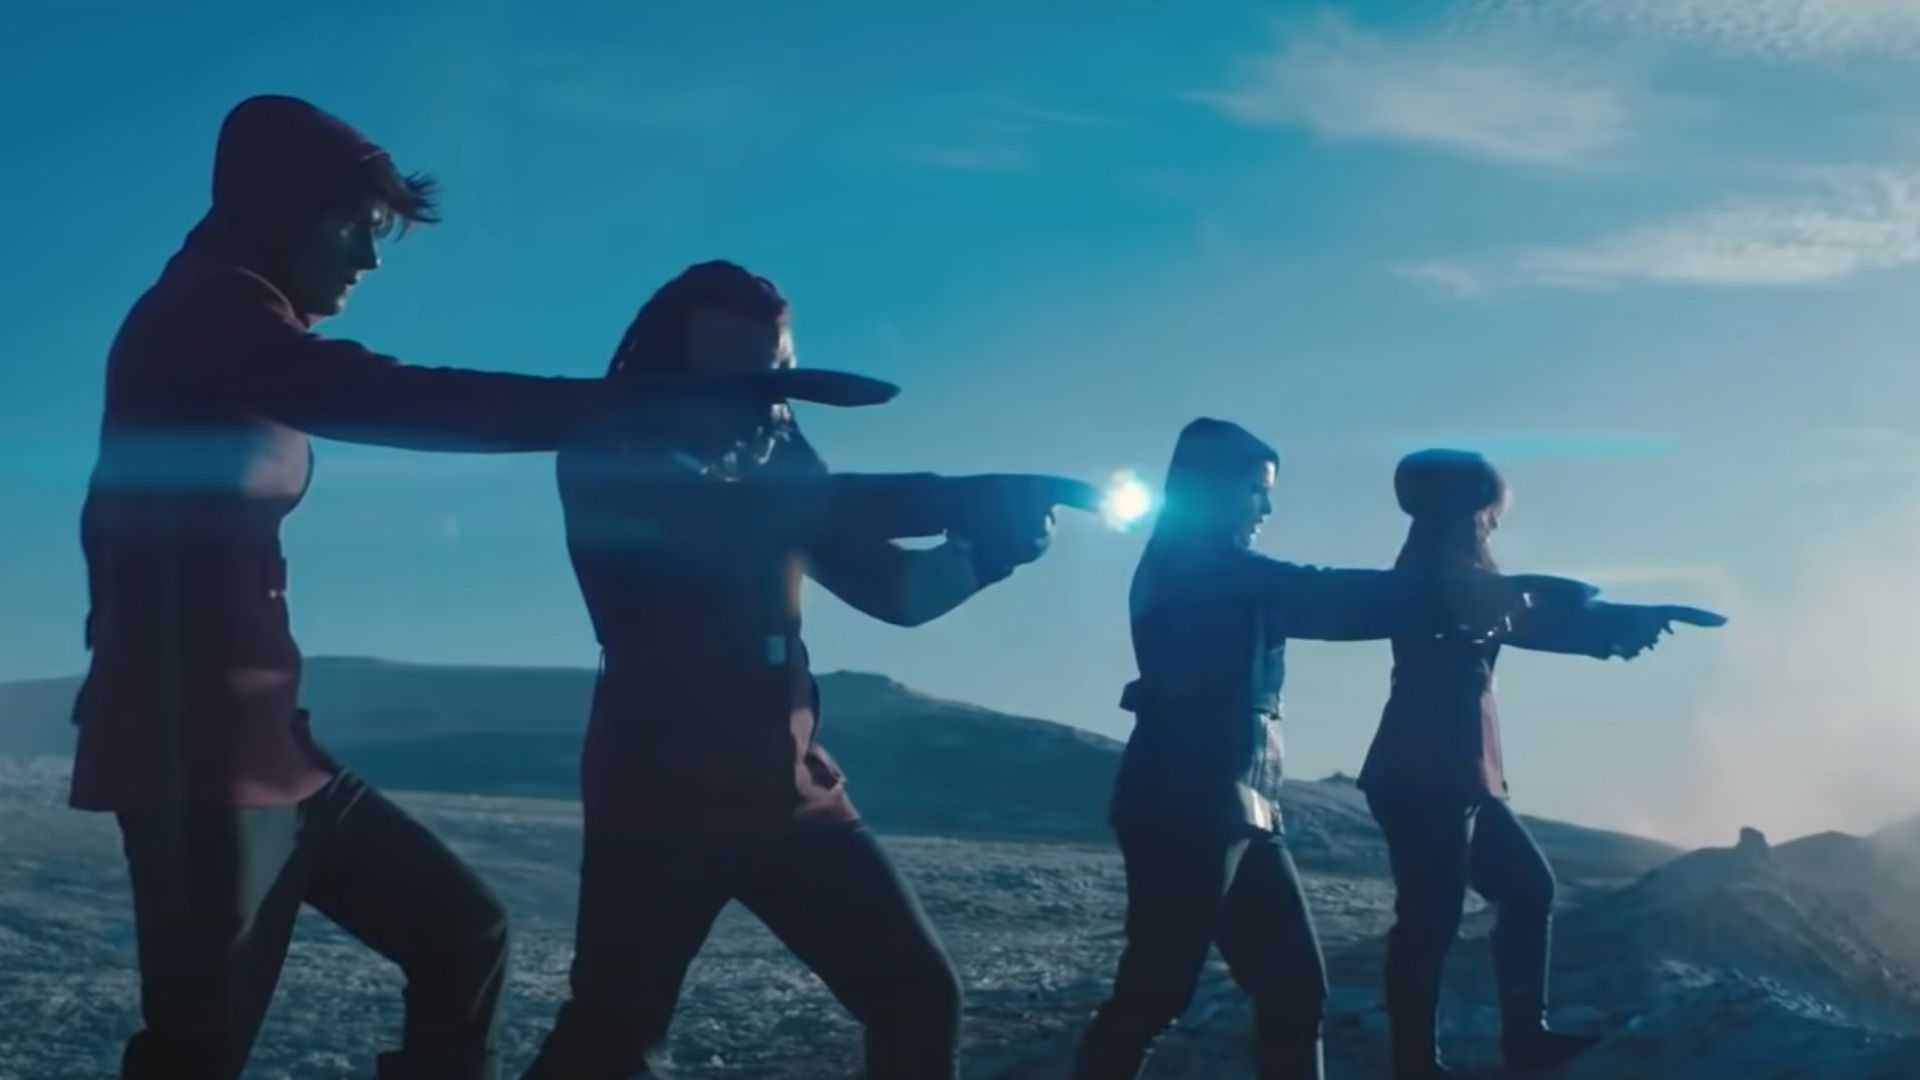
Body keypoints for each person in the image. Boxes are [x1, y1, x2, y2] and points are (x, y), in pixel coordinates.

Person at [71, 96, 885, 1080]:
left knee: (463, 935)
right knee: (199, 1051)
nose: (369, 260)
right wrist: (640, 407)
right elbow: (393, 397)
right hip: (192, 752)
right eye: (355, 227)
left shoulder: (233, 321)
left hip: (268, 744)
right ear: (280, 208)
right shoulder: (208, 312)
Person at [523, 260, 1092, 1079]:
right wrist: (953, 498)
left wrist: (983, 552)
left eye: (774, 381)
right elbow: (737, 520)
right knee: (607, 1040)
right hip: (658, 800)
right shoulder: (610, 453)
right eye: (736, 382)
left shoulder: (778, 459)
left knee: (917, 997)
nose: (760, 405)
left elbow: (894, 592)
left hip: (788, 793)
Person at [1071, 420, 1513, 1080]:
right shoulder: (1200, 565)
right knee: (1155, 993)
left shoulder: (1217, 569)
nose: (1267, 508)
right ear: (1212, 488)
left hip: (1241, 805)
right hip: (1188, 800)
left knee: (1293, 989)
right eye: (1256, 490)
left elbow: (1332, 601)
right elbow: (1326, 595)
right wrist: (1457, 590)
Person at [1356, 448, 1726, 1080]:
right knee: (1431, 916)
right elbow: (1498, 604)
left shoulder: (1461, 578)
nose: (1494, 525)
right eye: (1489, 513)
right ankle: (1416, 1064)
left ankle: (1524, 1038)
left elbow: (1520, 618)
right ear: (1464, 509)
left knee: (1526, 889)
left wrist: (1619, 626)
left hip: (1461, 769)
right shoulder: (1430, 574)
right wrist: (1592, 610)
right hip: (1427, 767)